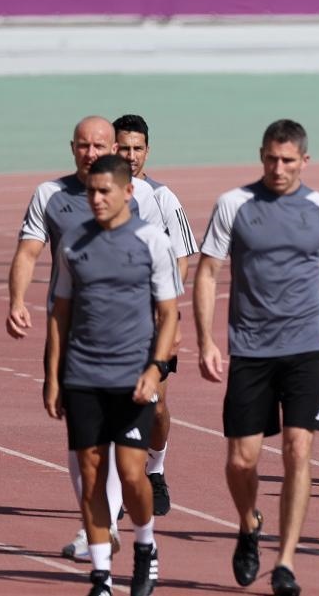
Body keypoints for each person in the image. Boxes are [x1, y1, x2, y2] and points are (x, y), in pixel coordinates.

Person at [194, 119, 319, 596]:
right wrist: (206, 341)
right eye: (270, 159)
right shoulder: (234, 204)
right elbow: (207, 273)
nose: (278, 168)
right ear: (261, 156)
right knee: (241, 462)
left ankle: (285, 562)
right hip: (250, 349)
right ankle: (249, 523)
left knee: (298, 451)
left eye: (287, 160)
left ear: (304, 160)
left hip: (306, 349)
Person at [5, 115, 167, 561]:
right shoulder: (50, 195)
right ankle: (98, 525)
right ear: (72, 147)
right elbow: (28, 251)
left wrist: (163, 329)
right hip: (74, 337)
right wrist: (17, 300)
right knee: (84, 444)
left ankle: (115, 522)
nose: (90, 153)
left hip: (131, 338)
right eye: (82, 145)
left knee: (123, 445)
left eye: (99, 146)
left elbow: (165, 261)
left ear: (113, 148)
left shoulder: (143, 196)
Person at [44, 154, 180, 596]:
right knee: (91, 471)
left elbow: (168, 313)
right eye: (91, 191)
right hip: (83, 375)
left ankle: (145, 545)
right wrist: (53, 376)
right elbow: (60, 313)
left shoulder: (151, 242)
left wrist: (156, 369)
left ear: (128, 191)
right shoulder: (74, 242)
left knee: (132, 471)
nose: (97, 199)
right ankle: (101, 575)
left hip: (133, 376)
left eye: (106, 191)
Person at [114, 114, 200, 516]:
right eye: (123, 148)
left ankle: (156, 468)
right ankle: (115, 491)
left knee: (156, 405)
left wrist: (163, 300)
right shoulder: (97, 196)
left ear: (147, 151)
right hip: (110, 322)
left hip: (154, 321)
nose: (131, 156)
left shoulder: (163, 198)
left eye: (137, 148)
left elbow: (183, 257)